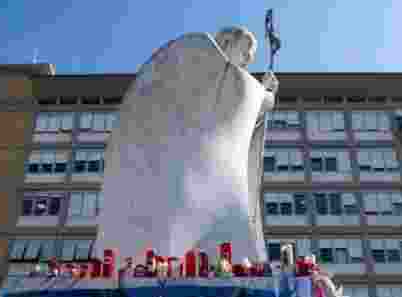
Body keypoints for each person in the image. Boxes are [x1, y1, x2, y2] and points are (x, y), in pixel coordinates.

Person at [95, 26, 279, 263]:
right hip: (178, 174)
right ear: (224, 42)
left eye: (250, 58)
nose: (246, 61)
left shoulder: (228, 81)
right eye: (245, 52)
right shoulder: (200, 59)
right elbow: (242, 93)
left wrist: (262, 95)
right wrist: (264, 95)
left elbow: (239, 112)